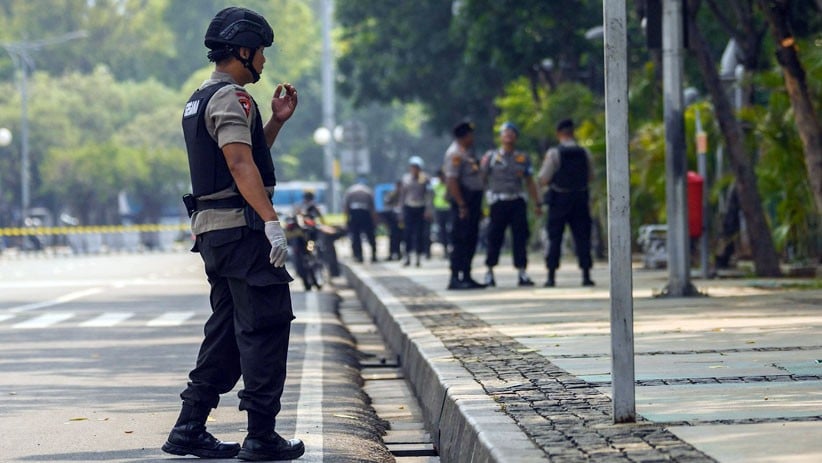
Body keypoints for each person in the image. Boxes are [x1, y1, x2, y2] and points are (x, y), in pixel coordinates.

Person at [165, 6, 304, 462]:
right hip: (243, 235)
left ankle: (189, 426)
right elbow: (240, 164)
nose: (263, 60)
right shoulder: (233, 98)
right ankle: (261, 435)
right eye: (260, 51)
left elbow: (242, 156)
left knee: (226, 332)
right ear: (243, 51)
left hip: (215, 235)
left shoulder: (200, 98)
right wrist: (271, 222)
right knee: (265, 327)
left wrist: (276, 122)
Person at [480, 122, 541, 287]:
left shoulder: (522, 158)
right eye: (505, 133)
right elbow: (482, 179)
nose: (509, 135)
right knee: (494, 237)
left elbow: (530, 181)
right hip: (498, 201)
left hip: (517, 201)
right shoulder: (491, 157)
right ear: (500, 137)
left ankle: (522, 271)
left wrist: (537, 203)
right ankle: (489, 271)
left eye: (512, 133)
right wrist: (483, 200)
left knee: (520, 236)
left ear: (516, 137)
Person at [538, 119, 595, 287]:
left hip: (559, 200)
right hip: (580, 199)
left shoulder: (554, 153)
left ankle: (551, 276)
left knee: (554, 238)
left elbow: (543, 178)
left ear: (558, 134)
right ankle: (586, 275)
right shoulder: (585, 152)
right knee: (583, 237)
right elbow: (591, 176)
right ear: (573, 132)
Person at [443, 121, 486, 290]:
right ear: (465, 136)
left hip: (473, 202)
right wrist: (461, 204)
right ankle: (455, 277)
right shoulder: (454, 154)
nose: (472, 138)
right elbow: (452, 180)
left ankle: (467, 275)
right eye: (470, 134)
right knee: (460, 239)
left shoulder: (467, 152)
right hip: (463, 202)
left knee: (470, 238)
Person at [398, 156, 432, 267]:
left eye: (416, 167)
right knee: (407, 233)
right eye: (413, 167)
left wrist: (428, 210)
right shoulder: (406, 179)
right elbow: (402, 196)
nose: (414, 169)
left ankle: (418, 257)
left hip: (420, 208)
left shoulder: (425, 179)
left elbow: (429, 195)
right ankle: (407, 257)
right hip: (409, 207)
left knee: (419, 233)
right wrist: (401, 212)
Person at [343, 179, 378, 263]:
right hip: (365, 213)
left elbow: (346, 206)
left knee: (356, 236)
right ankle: (373, 255)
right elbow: (372, 207)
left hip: (354, 213)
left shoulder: (350, 191)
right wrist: (374, 219)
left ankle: (358, 255)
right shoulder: (368, 191)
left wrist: (346, 220)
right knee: (370, 235)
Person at [380, 180, 404, 261]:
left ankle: (399, 253)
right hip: (393, 219)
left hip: (402, 219)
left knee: (401, 237)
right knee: (393, 237)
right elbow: (387, 202)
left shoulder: (404, 194)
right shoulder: (392, 194)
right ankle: (392, 253)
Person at [432, 169, 451, 259]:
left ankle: (452, 248)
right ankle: (445, 250)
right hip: (439, 209)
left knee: (450, 229)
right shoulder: (436, 185)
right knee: (442, 231)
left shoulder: (449, 184)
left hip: (449, 209)